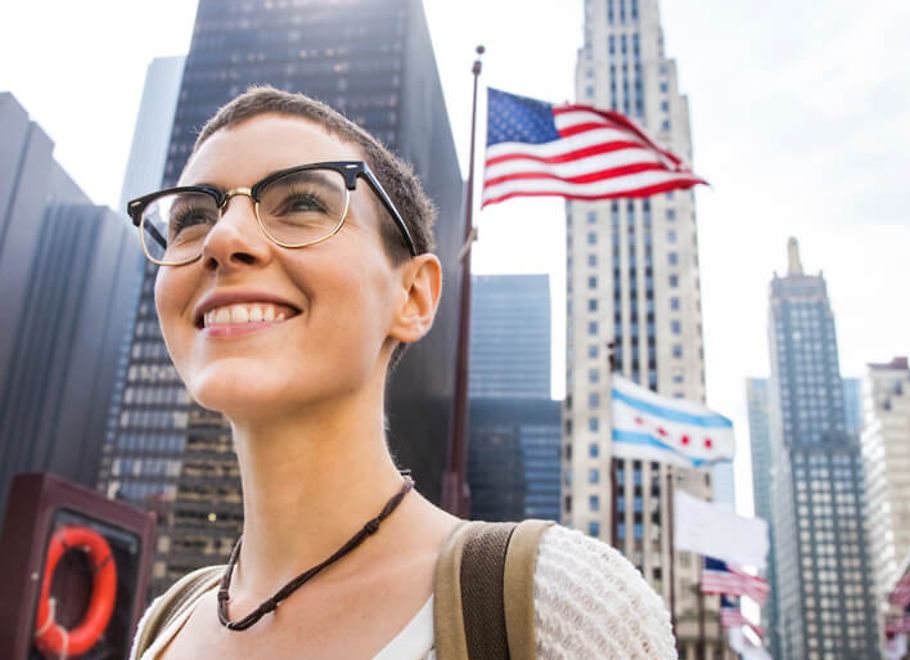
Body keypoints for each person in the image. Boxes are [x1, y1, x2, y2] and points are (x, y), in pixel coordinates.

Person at [128, 86, 676, 659]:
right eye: (192, 217)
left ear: (413, 295)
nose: (222, 239)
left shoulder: (558, 602)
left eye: (302, 204)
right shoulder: (166, 621)